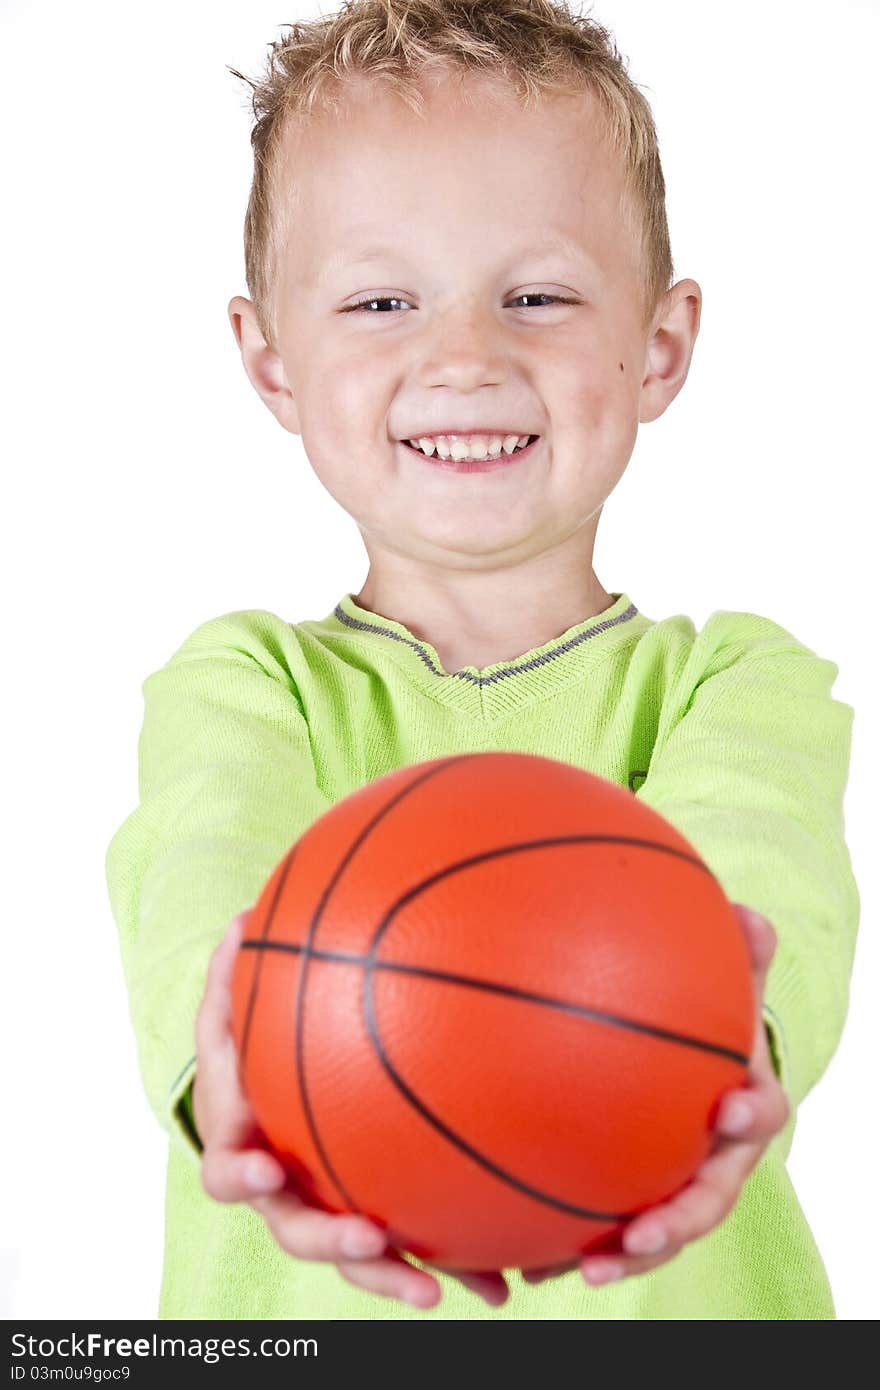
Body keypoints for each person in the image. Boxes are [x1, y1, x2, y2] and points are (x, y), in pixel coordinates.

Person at [104, 0, 860, 1319]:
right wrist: (228, 1062)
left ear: (662, 347)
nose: (463, 355)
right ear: (272, 362)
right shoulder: (238, 686)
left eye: (540, 295)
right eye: (382, 299)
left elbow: (762, 887)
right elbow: (200, 882)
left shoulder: (741, 683)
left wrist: (726, 1046)